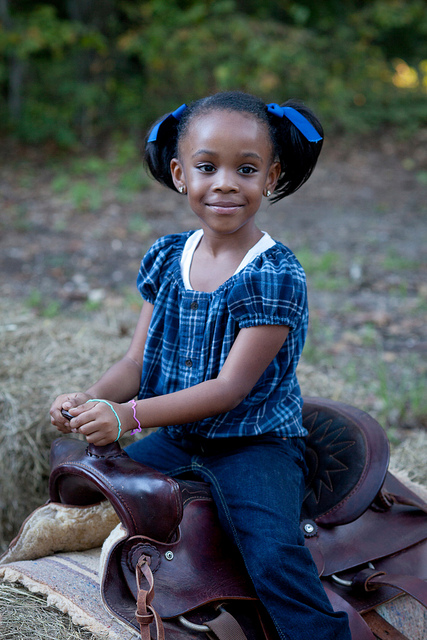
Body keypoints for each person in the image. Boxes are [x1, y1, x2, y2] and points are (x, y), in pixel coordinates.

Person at [50, 90, 351, 639]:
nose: (226, 183)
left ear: (272, 176)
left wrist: (129, 417)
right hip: (181, 437)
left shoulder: (274, 274)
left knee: (272, 554)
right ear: (180, 173)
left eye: (247, 168)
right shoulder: (168, 257)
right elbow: (136, 359)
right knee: (86, 494)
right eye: (207, 167)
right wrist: (92, 400)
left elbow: (230, 389)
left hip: (253, 443)